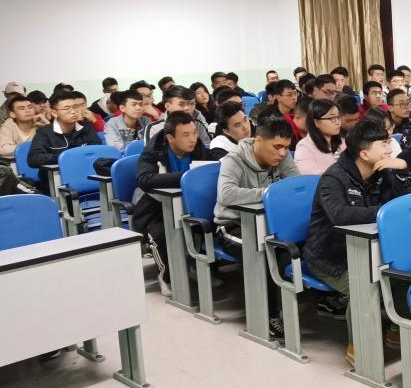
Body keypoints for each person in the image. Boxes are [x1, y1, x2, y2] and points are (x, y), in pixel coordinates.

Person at [303, 120, 411, 364]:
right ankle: (360, 347)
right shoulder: (333, 178)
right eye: (383, 144)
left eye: (388, 142)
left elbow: (402, 203)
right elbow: (340, 215)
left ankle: (396, 332)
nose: (389, 149)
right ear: (364, 154)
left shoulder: (382, 172)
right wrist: (385, 212)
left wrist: (402, 170)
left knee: (403, 276)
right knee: (364, 284)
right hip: (330, 257)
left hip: (372, 251)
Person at [133, 112, 220, 292]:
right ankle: (166, 277)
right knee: (160, 234)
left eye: (194, 133)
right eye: (186, 135)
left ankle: (198, 269)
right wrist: (187, 177)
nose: (193, 139)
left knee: (211, 225)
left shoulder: (198, 148)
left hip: (191, 208)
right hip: (156, 212)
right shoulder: (153, 151)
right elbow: (145, 179)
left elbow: (215, 169)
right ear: (170, 138)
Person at [213, 116, 299, 263]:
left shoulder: (282, 156)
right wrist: (269, 193)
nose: (283, 153)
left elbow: (295, 186)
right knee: (273, 253)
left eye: (286, 147)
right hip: (235, 226)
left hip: (268, 221)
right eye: (277, 147)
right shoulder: (234, 159)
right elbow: (226, 194)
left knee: (307, 242)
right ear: (258, 141)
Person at [28, 90, 102, 195]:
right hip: (56, 183)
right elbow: (33, 159)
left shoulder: (86, 128)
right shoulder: (45, 133)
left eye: (75, 107)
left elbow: (98, 150)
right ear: (54, 113)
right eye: (67, 108)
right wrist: (65, 158)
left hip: (85, 176)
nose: (73, 111)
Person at [142, 85, 212, 146]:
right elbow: (153, 155)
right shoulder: (155, 129)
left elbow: (207, 150)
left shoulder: (198, 124)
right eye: (181, 104)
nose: (187, 107)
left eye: (191, 103)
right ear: (167, 106)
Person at [294, 99, 345, 175]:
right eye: (332, 118)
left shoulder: (343, 142)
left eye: (338, 117)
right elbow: (310, 176)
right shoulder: (304, 147)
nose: (337, 122)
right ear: (316, 122)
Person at [0, 95, 39, 161]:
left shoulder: (40, 124)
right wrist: (31, 147)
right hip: (13, 162)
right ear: (13, 114)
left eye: (30, 107)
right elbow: (2, 149)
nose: (27, 111)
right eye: (22, 108)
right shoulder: (8, 125)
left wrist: (47, 126)